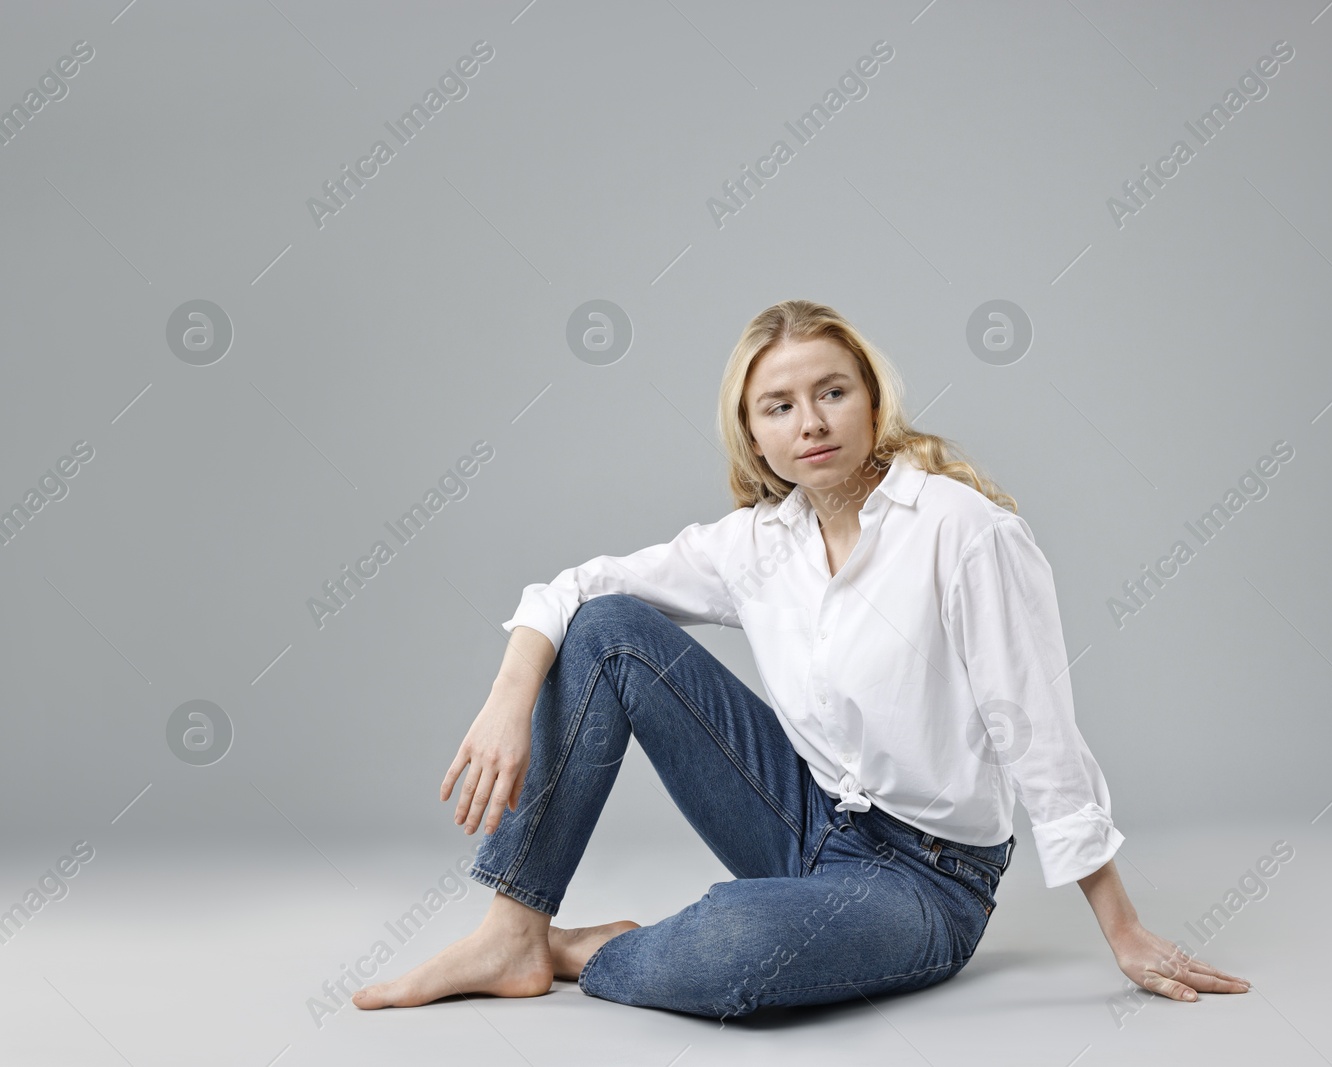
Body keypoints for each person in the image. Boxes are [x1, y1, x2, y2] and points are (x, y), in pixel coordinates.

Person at [353, 299, 1250, 1019]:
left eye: (832, 393)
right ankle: (513, 930)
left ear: (872, 400)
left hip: (929, 880)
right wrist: (511, 695)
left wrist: (1123, 927)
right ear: (753, 434)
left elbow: (1037, 730)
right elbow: (577, 589)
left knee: (731, 948)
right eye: (778, 406)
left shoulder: (961, 532)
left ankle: (586, 951)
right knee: (607, 627)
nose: (810, 423)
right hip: (804, 820)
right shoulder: (758, 543)